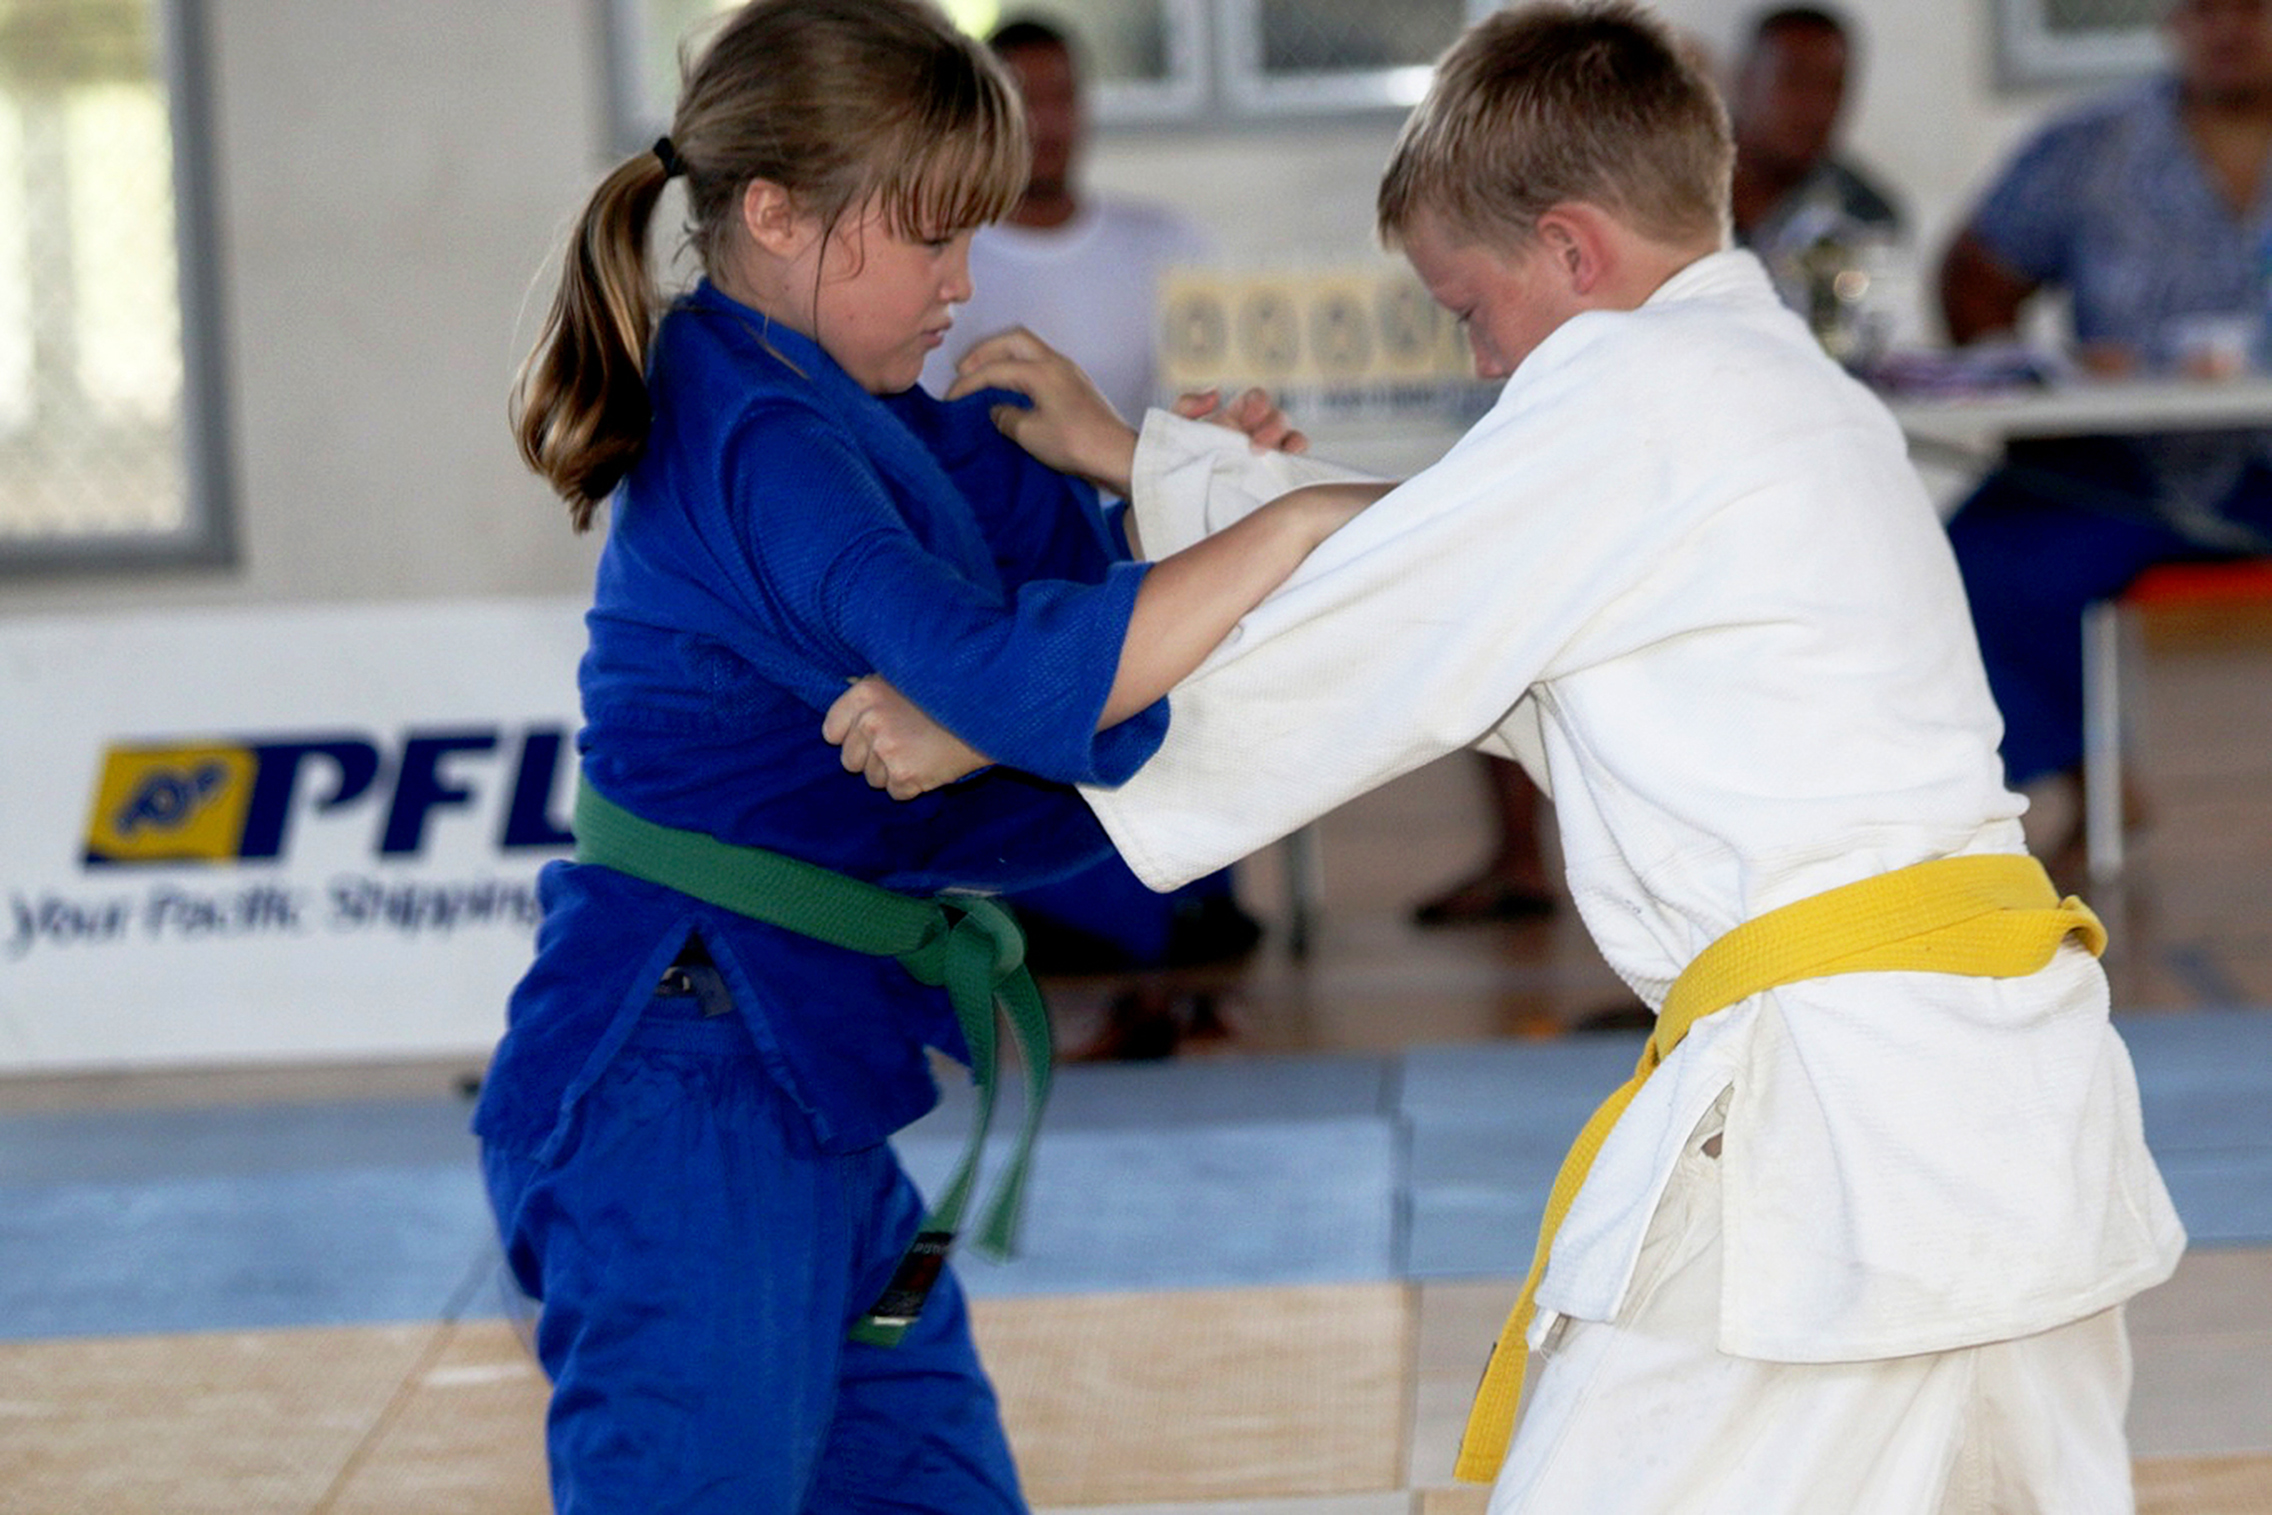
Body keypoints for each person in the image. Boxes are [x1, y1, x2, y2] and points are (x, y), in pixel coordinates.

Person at [829, 5, 2185, 1509]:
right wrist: (1147, 463)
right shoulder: (1782, 395)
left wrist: (996, 712)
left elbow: (1400, 598)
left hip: (1840, 1150)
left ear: (1572, 250)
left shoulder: (1628, 392)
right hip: (2014, 1109)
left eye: (1469, 308)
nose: (1477, 355)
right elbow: (1464, 555)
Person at [473, 2, 1353, 1508]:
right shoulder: (759, 438)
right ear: (774, 216)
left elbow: (1053, 617)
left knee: (936, 1482)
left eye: (972, 242)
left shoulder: (860, 411)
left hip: (810, 1075)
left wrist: (1167, 490)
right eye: (933, 241)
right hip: (680, 1090)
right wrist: (1291, 524)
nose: (962, 285)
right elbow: (1019, 680)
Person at [921, 14, 1263, 1055]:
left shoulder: (1163, 245)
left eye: (1064, 96)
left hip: (1133, 534)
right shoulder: (947, 261)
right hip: (997, 559)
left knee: (1200, 597)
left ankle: (1183, 889)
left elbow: (1211, 425)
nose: (1050, 124)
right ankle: (1062, 897)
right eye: (1023, 101)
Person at [1939, 0, 2272, 871]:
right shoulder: (2094, 144)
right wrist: (2033, 375)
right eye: (2206, 10)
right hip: (2130, 467)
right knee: (1975, 561)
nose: (2230, 29)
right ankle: (2087, 775)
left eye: (2254, 9)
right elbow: (1975, 274)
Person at [1727, 6, 1901, 265]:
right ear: (1744, 81)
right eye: (1795, 80)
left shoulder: (1863, 217)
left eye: (1833, 86)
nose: (1815, 106)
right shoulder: (1668, 193)